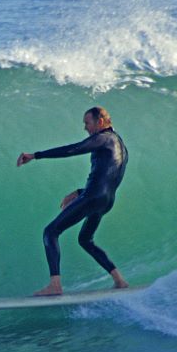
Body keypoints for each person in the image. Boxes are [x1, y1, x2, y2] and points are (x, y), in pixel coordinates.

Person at [17, 106, 129, 296]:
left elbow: (73, 149)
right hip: (106, 200)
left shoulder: (103, 138)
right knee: (85, 240)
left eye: (87, 123)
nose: (85, 128)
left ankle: (55, 285)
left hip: (94, 196)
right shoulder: (119, 144)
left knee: (50, 232)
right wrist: (79, 192)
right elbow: (108, 177)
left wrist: (36, 155)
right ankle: (120, 280)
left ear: (100, 122)